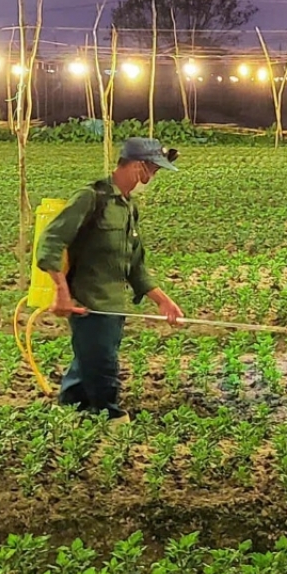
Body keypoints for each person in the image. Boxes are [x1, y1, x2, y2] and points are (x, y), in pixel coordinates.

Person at [36, 137, 185, 420]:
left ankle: (67, 414)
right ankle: (112, 420)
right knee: (102, 367)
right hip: (89, 304)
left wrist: (163, 301)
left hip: (114, 307)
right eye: (152, 170)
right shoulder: (91, 197)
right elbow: (51, 242)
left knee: (87, 364)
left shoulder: (128, 207)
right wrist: (61, 291)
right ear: (138, 166)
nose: (152, 178)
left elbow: (135, 265)